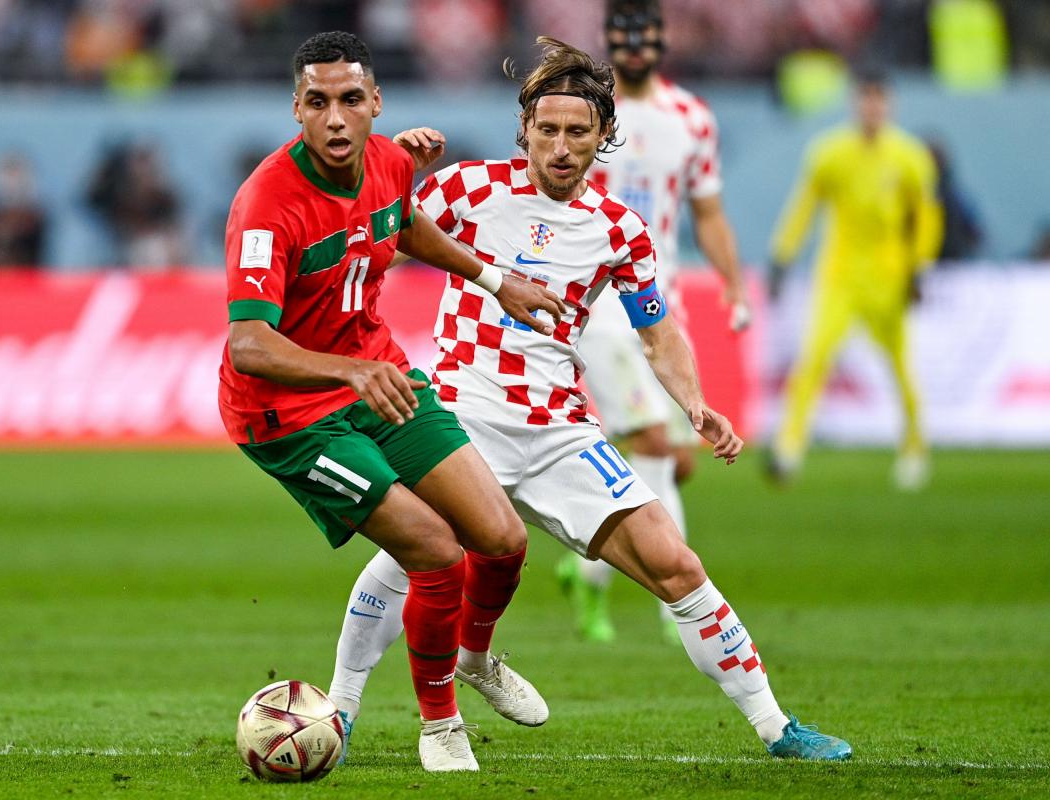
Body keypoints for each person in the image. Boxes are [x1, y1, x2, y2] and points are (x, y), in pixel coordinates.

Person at [327, 36, 851, 764]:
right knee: (410, 559)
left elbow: (656, 333)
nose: (561, 146)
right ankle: (339, 710)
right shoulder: (468, 188)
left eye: (578, 131)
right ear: (525, 129)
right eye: (547, 129)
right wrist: (397, 168)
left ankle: (776, 727)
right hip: (464, 415)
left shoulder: (620, 231)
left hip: (560, 430)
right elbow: (373, 221)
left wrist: (694, 404)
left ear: (603, 134)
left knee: (676, 566)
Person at [220, 31, 564, 773]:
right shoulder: (265, 205)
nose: (335, 118)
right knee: (435, 550)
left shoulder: (389, 162)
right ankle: (440, 726)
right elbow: (248, 345)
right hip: (290, 418)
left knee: (503, 539)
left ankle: (474, 659)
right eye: (317, 102)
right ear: (296, 109)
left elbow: (403, 223)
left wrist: (495, 280)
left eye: (350, 99)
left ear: (376, 102)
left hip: (376, 378)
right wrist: (349, 372)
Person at [558, 0, 753, 645]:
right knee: (655, 447)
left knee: (671, 460)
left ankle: (586, 575)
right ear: (608, 40)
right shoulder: (584, 112)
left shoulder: (690, 118)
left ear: (662, 40)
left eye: (645, 35)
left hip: (658, 300)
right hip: (596, 302)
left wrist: (731, 282)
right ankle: (683, 609)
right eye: (623, 35)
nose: (635, 45)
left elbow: (708, 211)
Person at [767, 69, 943, 490]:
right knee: (814, 359)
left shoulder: (909, 157)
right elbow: (804, 207)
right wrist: (782, 255)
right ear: (855, 102)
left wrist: (920, 266)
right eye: (866, 98)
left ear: (890, 105)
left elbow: (926, 217)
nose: (872, 107)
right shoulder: (830, 153)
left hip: (889, 278)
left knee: (900, 368)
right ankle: (789, 448)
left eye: (879, 99)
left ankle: (915, 448)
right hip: (840, 276)